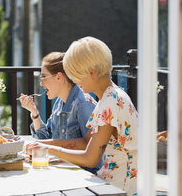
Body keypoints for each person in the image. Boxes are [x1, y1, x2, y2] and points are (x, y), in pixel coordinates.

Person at [26, 37, 138, 196]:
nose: (74, 81)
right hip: (114, 182)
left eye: (76, 75)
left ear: (92, 72)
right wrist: (43, 144)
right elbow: (86, 142)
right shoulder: (111, 97)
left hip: (118, 188)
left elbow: (90, 158)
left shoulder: (110, 102)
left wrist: (49, 149)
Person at [19, 52, 103, 174]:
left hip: (83, 175)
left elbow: (91, 147)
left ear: (59, 77)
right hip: (62, 170)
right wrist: (34, 113)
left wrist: (43, 145)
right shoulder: (59, 103)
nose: (41, 83)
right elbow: (46, 139)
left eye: (43, 77)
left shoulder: (83, 103)